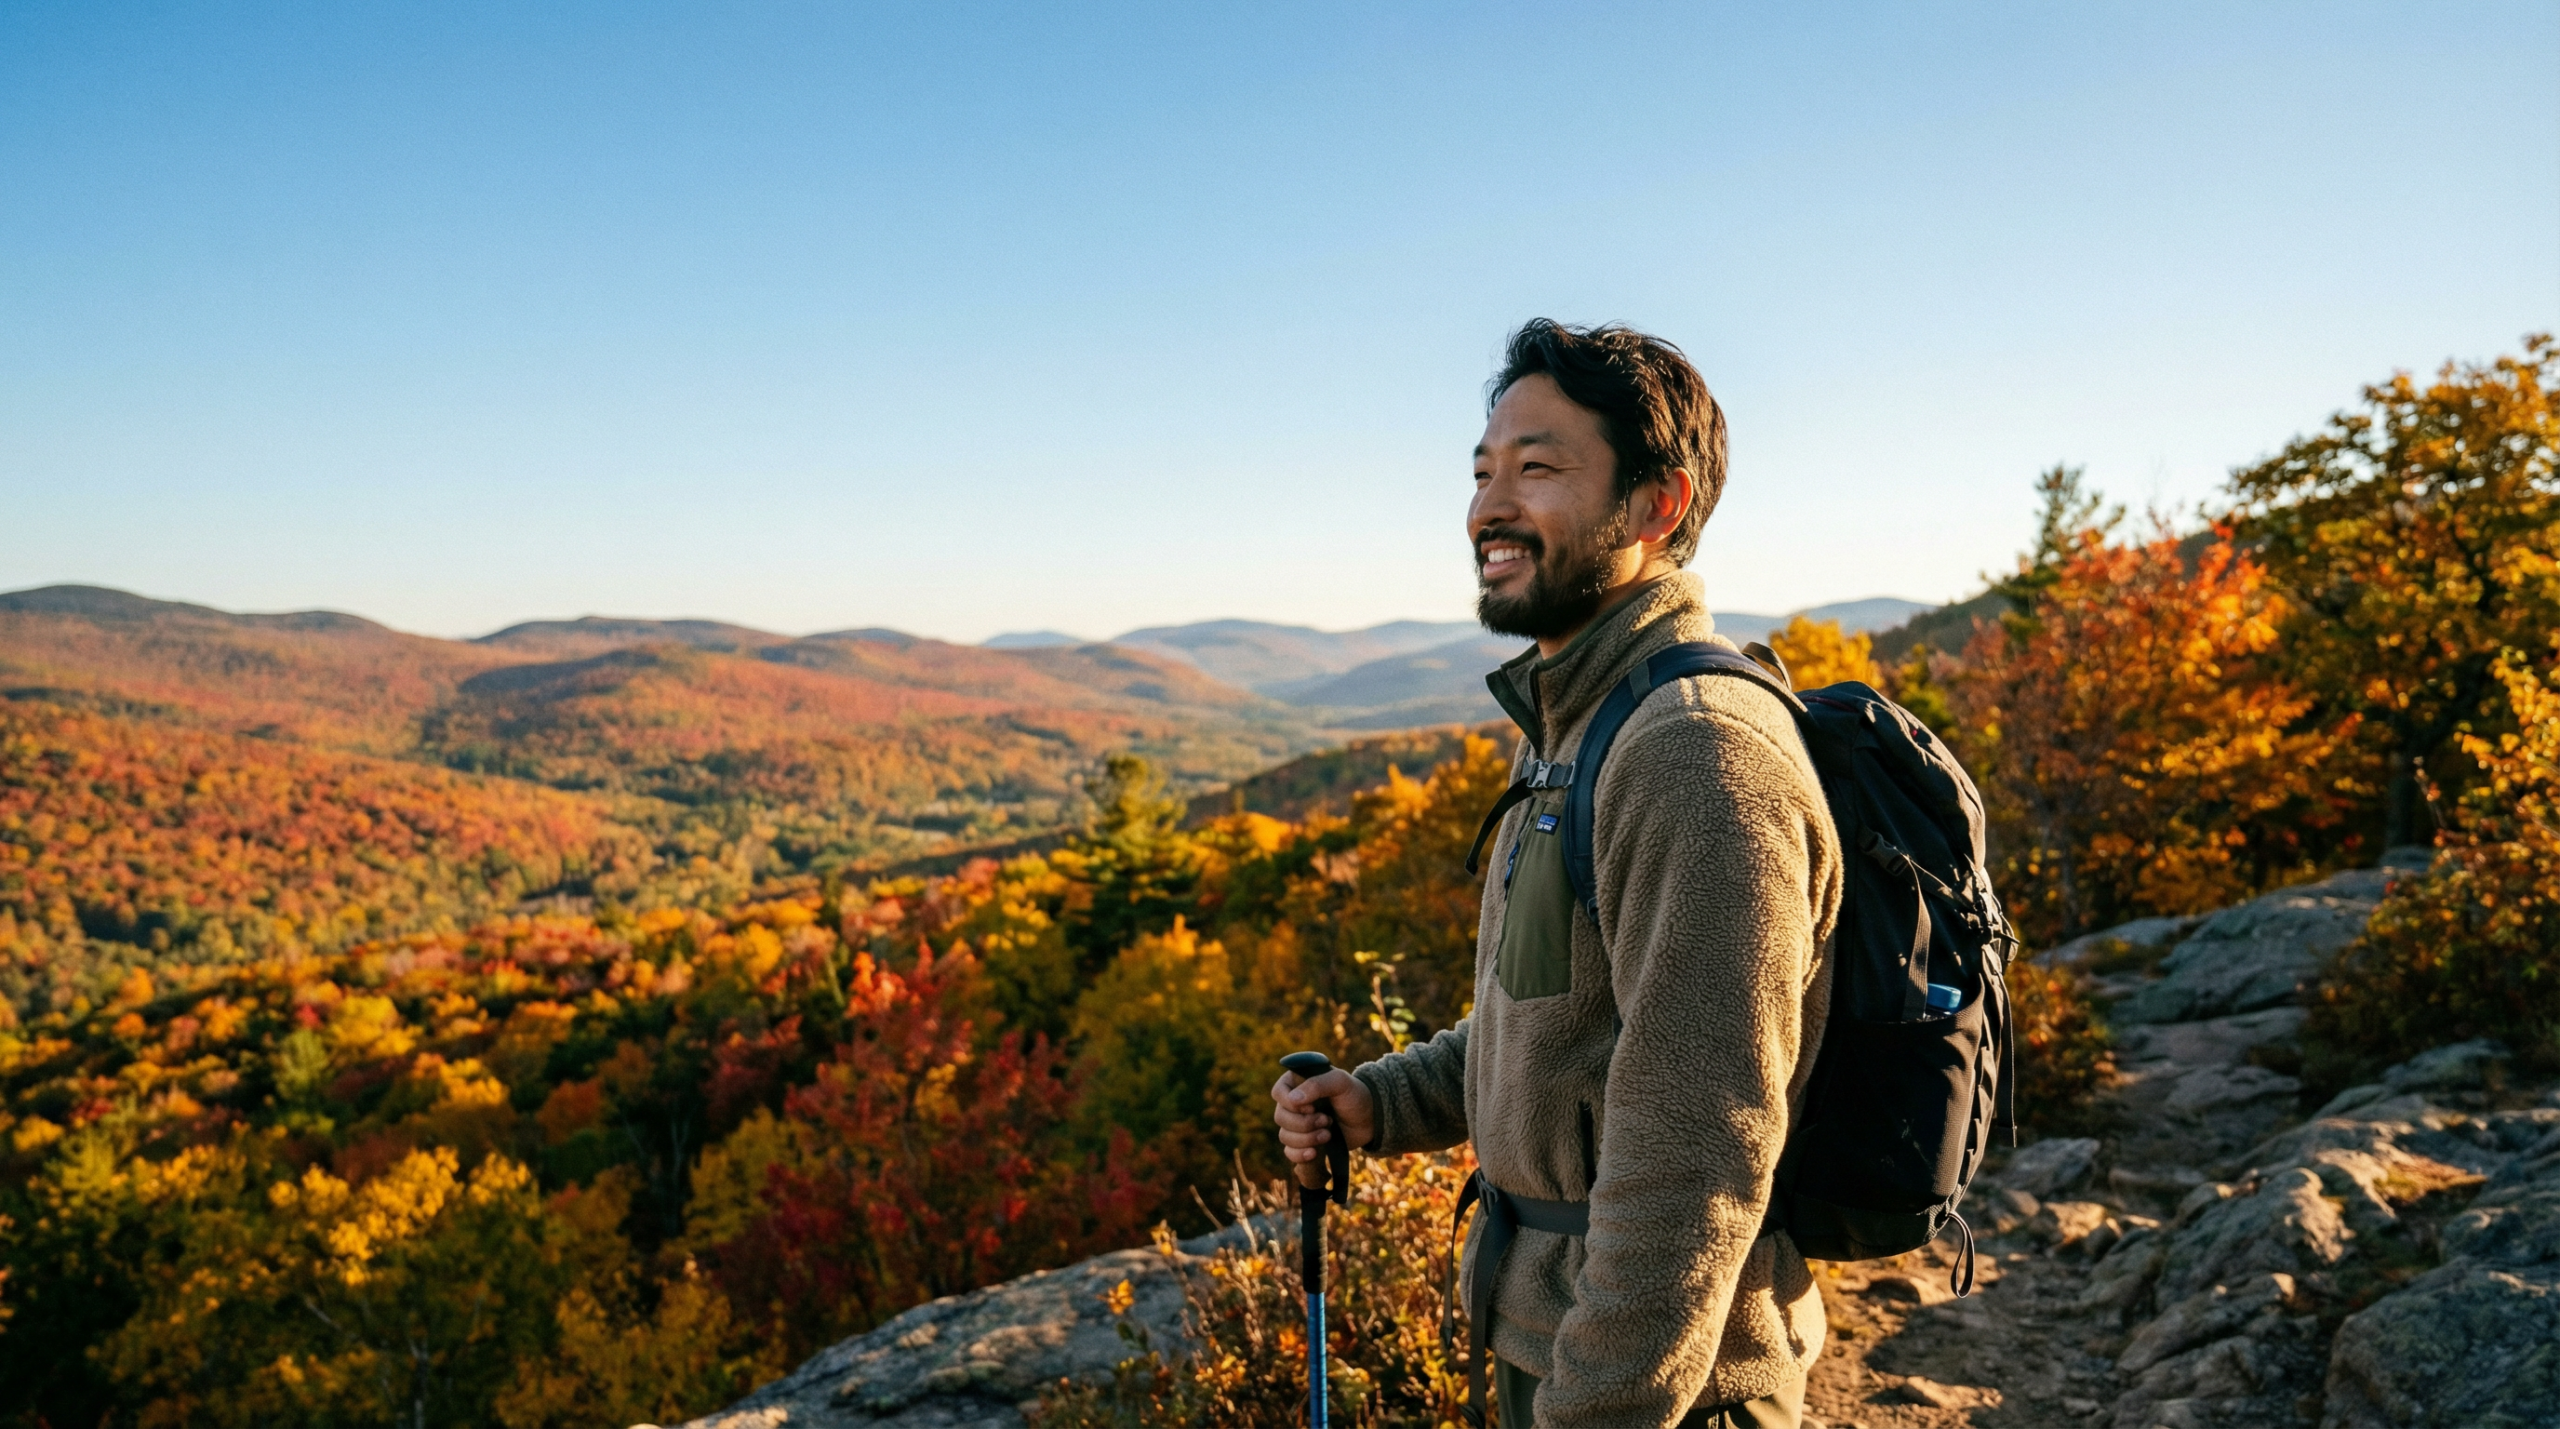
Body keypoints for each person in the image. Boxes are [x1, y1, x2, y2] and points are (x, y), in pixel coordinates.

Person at [1272, 320, 1845, 1429]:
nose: (1489, 505)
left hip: (1661, 1384)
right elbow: (1551, 1024)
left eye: (1537, 469)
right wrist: (1378, 1101)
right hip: (1571, 1346)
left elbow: (1698, 1147)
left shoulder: (1693, 753)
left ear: (1654, 505)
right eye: (1483, 472)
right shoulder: (1576, 732)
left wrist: (1593, 1410)